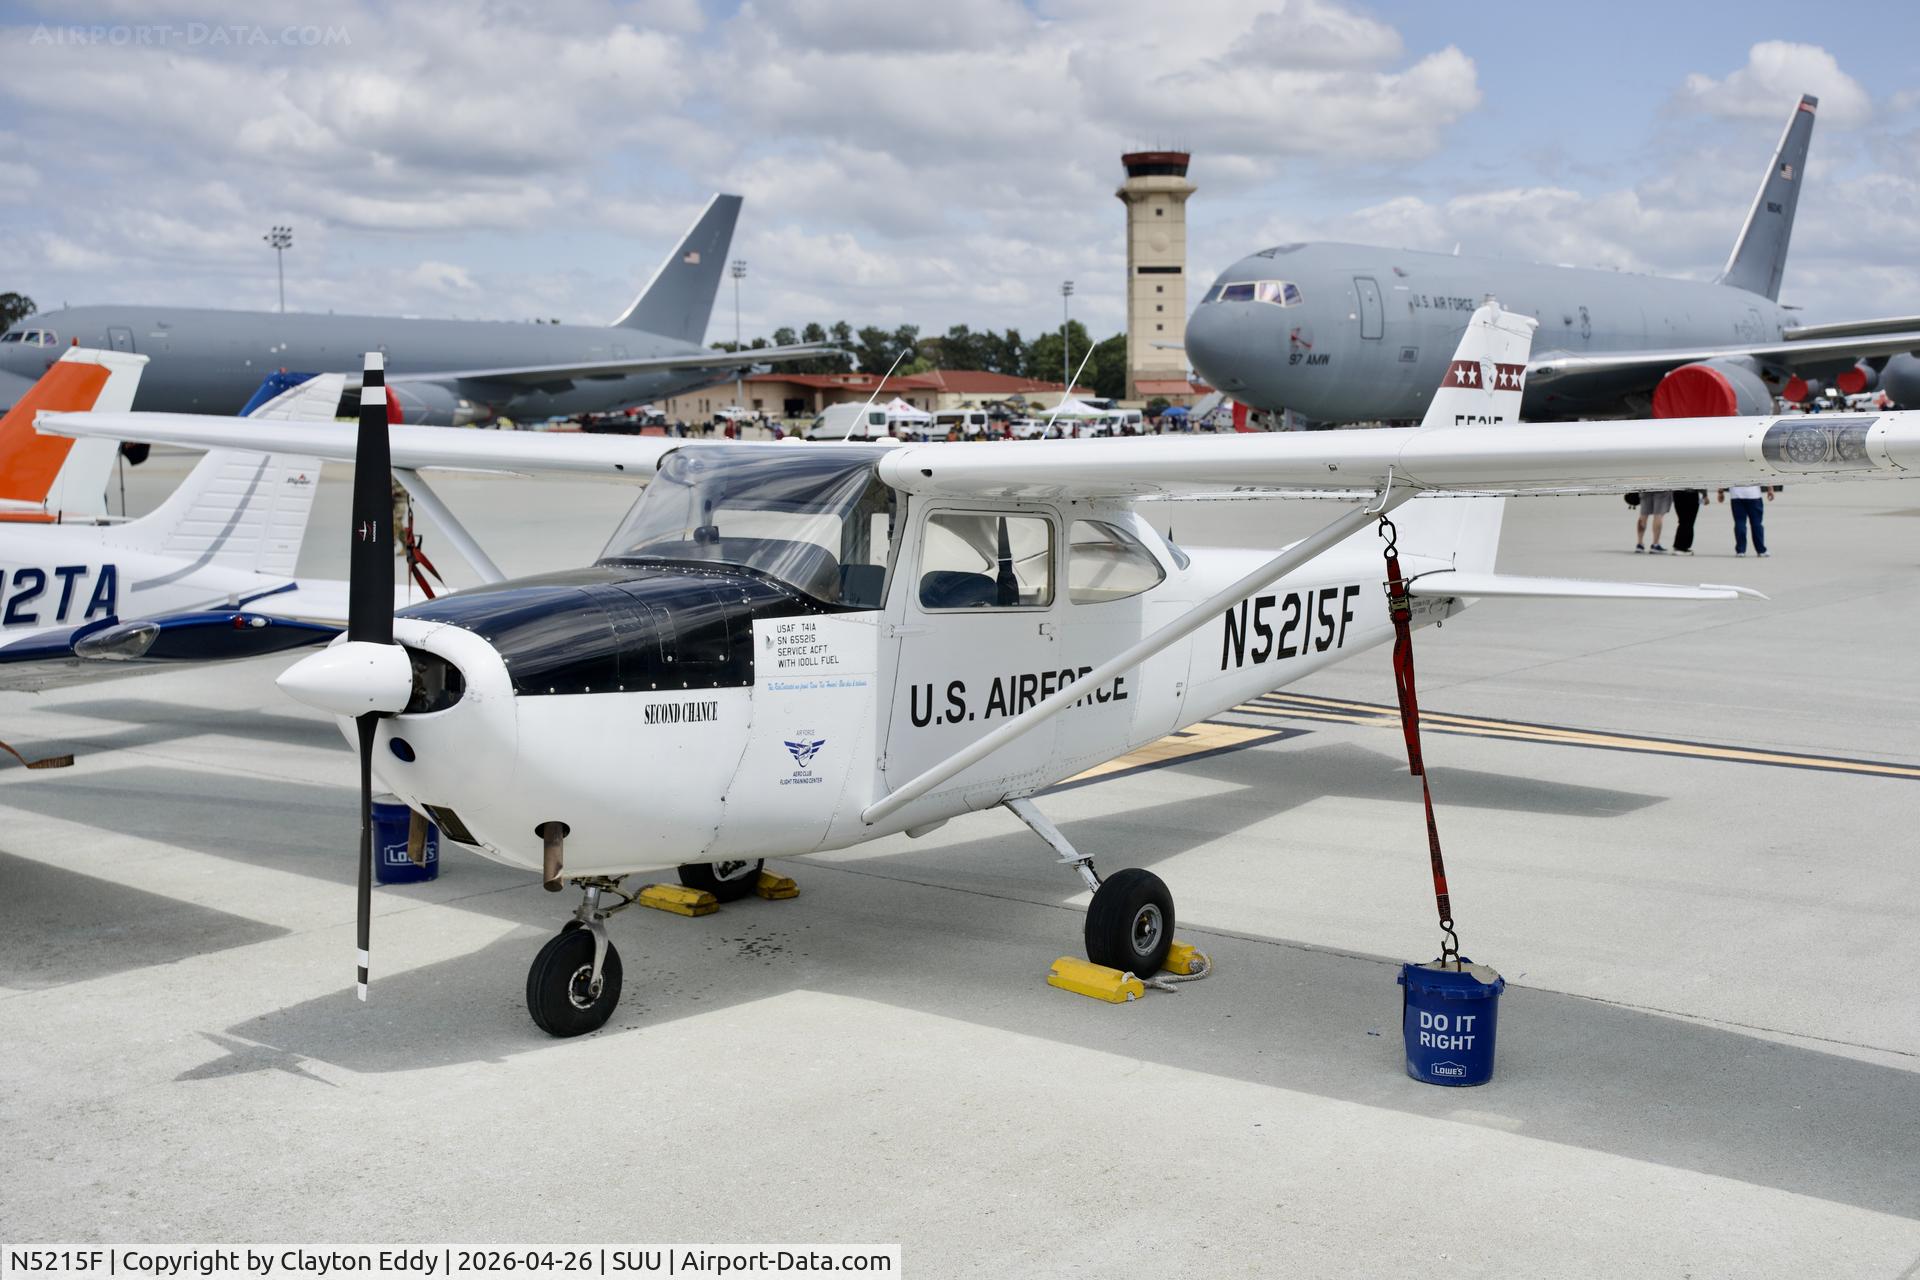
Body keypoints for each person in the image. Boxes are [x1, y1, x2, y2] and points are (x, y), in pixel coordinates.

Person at [1717, 483, 1774, 556]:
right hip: (1754, 495)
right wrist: (1770, 489)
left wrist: (1721, 491)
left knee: (1740, 522)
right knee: (1756, 524)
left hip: (1736, 496)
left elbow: (1725, 475)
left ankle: (1741, 550)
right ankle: (1761, 550)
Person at [1670, 488, 1706, 555]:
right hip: (1691, 494)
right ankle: (1682, 547)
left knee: (1683, 520)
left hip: (1678, 493)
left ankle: (1679, 546)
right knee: (1689, 521)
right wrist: (1705, 495)